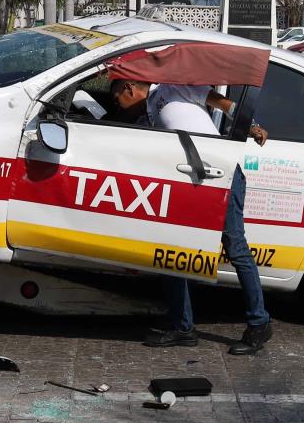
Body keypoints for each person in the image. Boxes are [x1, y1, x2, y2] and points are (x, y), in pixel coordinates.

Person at [110, 79, 274, 355]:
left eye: (117, 100)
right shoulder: (147, 114)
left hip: (219, 177)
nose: (118, 106)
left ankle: (259, 324)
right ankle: (181, 327)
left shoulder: (170, 89)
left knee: (235, 246)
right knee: (174, 250)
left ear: (129, 88)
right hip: (189, 182)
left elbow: (223, 103)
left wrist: (253, 125)